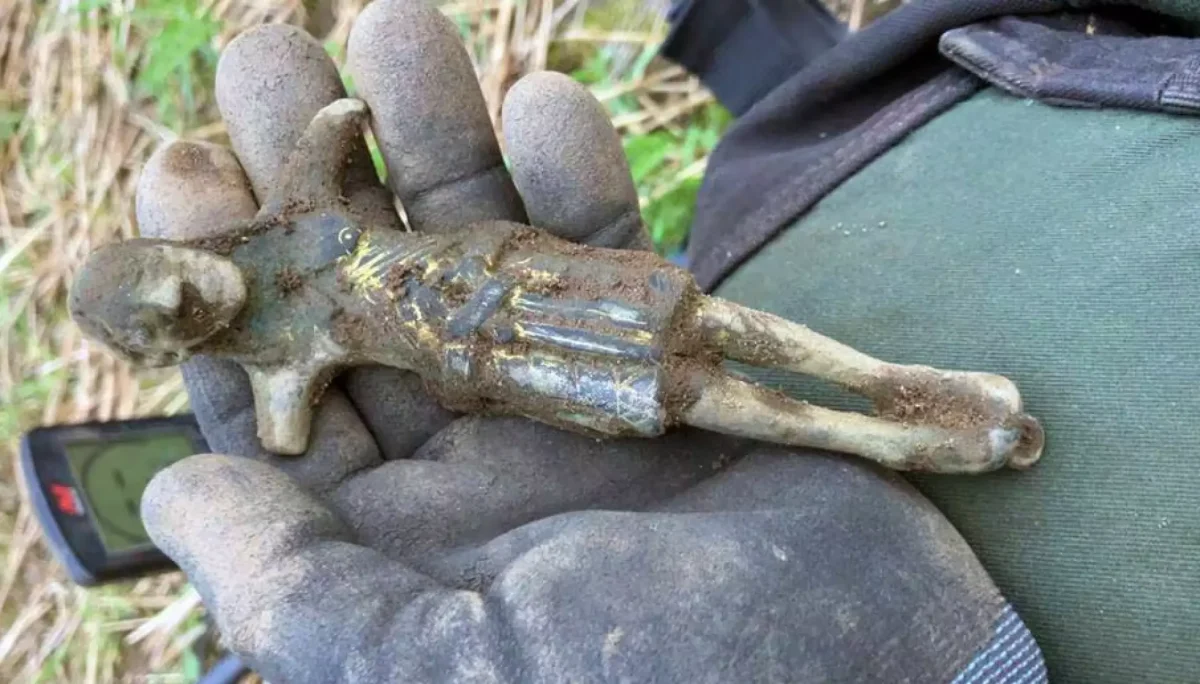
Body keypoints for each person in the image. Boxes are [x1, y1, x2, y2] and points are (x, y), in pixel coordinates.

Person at [137, 0, 1197, 681]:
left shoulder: (297, 223)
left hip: (538, 271)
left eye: (174, 271)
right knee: (729, 400)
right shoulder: (279, 350)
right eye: (165, 309)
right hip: (525, 366)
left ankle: (916, 390)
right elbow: (284, 420)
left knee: (741, 327)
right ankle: (907, 441)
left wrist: (338, 127)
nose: (189, 286)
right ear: (166, 336)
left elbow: (330, 136)